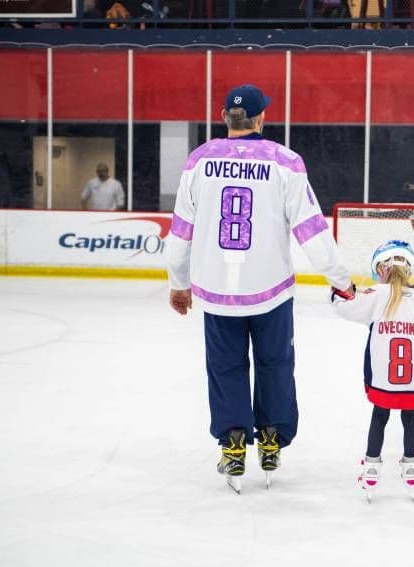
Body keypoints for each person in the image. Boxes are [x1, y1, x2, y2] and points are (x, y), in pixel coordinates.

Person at [165, 84, 353, 493]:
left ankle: (233, 439)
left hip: (216, 292)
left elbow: (180, 233)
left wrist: (179, 284)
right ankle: (271, 436)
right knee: (275, 365)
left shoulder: (199, 161)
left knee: (225, 368)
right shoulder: (285, 162)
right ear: (261, 118)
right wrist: (342, 281)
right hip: (270, 292)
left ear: (223, 117)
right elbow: (311, 230)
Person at [331, 240, 414, 500]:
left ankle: (372, 466)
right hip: (413, 378)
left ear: (382, 270)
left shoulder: (375, 295)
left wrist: (337, 293)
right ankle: (411, 466)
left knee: (380, 415)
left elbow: (345, 308)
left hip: (382, 377)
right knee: (410, 418)